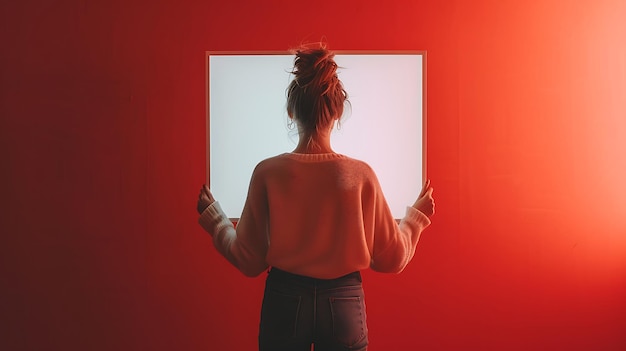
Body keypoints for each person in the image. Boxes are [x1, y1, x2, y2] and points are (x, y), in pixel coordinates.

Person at [197, 43, 435, 351]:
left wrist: (216, 219)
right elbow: (390, 259)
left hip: (284, 299)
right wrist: (416, 218)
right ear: (337, 112)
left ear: (291, 111)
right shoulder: (360, 174)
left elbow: (249, 260)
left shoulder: (268, 172)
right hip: (344, 301)